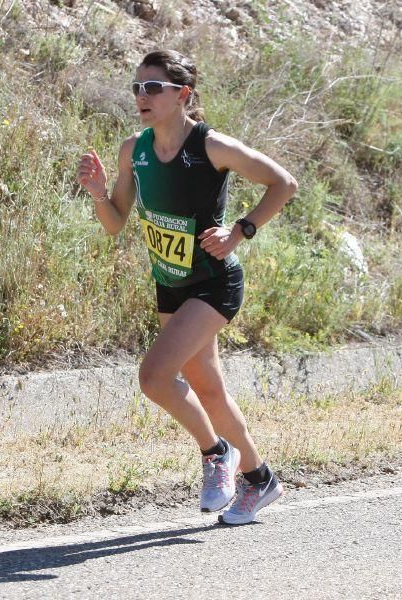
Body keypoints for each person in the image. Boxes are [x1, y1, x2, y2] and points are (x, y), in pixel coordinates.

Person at [77, 50, 297, 525]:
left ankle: (217, 453)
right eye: (136, 87)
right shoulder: (132, 150)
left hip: (214, 283)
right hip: (170, 283)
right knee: (208, 390)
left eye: (153, 87)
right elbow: (115, 223)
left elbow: (283, 183)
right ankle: (260, 481)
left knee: (154, 376)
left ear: (183, 94)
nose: (142, 96)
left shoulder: (210, 146)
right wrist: (98, 194)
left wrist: (241, 230)